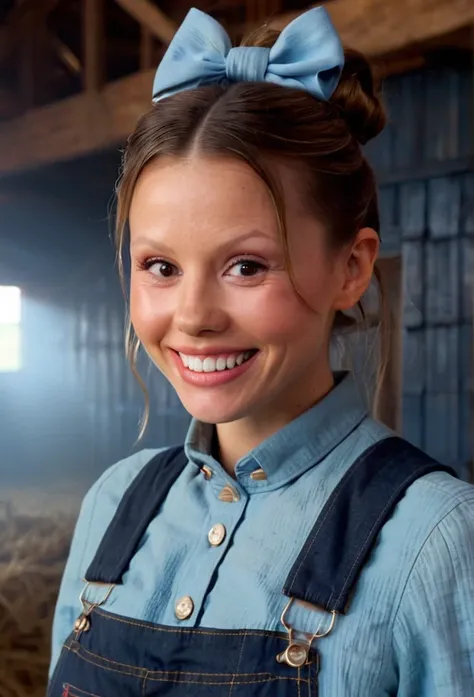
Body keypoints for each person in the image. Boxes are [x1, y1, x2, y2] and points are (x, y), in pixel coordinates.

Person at [48, 6, 474, 696]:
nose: (193, 316)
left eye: (246, 266)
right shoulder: (111, 504)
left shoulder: (436, 539)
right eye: (161, 266)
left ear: (352, 268)